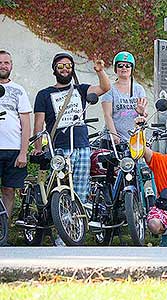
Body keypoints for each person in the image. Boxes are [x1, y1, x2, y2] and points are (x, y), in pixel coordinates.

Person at [33, 52, 110, 209]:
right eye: (60, 66)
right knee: (59, 189)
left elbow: (105, 87)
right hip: (59, 148)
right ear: (54, 69)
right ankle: (59, 225)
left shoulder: (81, 89)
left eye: (68, 66)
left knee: (80, 190)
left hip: (82, 147)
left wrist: (100, 71)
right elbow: (39, 124)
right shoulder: (44, 94)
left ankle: (76, 226)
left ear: (73, 69)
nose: (65, 69)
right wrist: (38, 148)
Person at [0, 50, 32, 223]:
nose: (3, 66)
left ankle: (3, 229)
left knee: (9, 190)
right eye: (0, 63)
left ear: (11, 66)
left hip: (13, 149)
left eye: (6, 63)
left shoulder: (18, 90)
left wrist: (23, 152)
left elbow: (26, 123)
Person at [101, 51, 147, 146]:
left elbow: (144, 115)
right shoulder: (110, 89)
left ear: (132, 68)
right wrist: (114, 135)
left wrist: (142, 112)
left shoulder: (139, 89)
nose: (124, 68)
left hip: (133, 138)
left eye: (127, 66)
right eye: (120, 65)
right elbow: (107, 115)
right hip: (112, 140)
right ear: (115, 68)